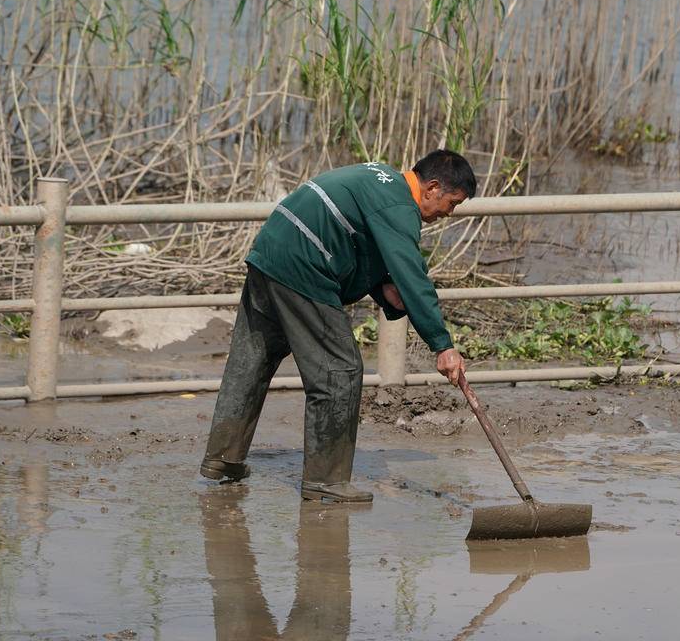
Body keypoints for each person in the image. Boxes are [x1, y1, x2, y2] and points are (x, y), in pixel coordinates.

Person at [200, 150, 475, 502]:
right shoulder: (398, 205)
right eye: (451, 204)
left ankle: (223, 459)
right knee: (339, 371)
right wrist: (443, 345)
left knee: (252, 361)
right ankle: (326, 481)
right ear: (433, 187)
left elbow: (356, 240)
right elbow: (411, 274)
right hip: (302, 266)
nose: (448, 214)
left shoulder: (380, 179)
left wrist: (381, 287)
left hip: (269, 254)